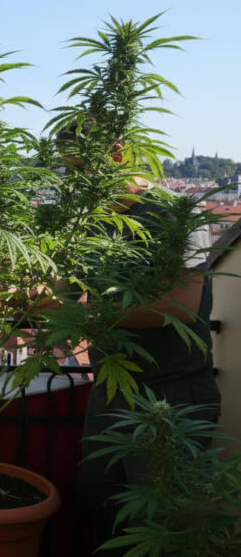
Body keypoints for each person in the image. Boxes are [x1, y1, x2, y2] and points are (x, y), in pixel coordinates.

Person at [76, 180, 221, 556]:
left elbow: (180, 305)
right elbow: (67, 289)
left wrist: (86, 315)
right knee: (101, 507)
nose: (78, 182)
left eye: (85, 169)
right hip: (110, 388)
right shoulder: (92, 216)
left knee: (156, 524)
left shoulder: (179, 215)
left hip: (171, 392)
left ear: (119, 152)